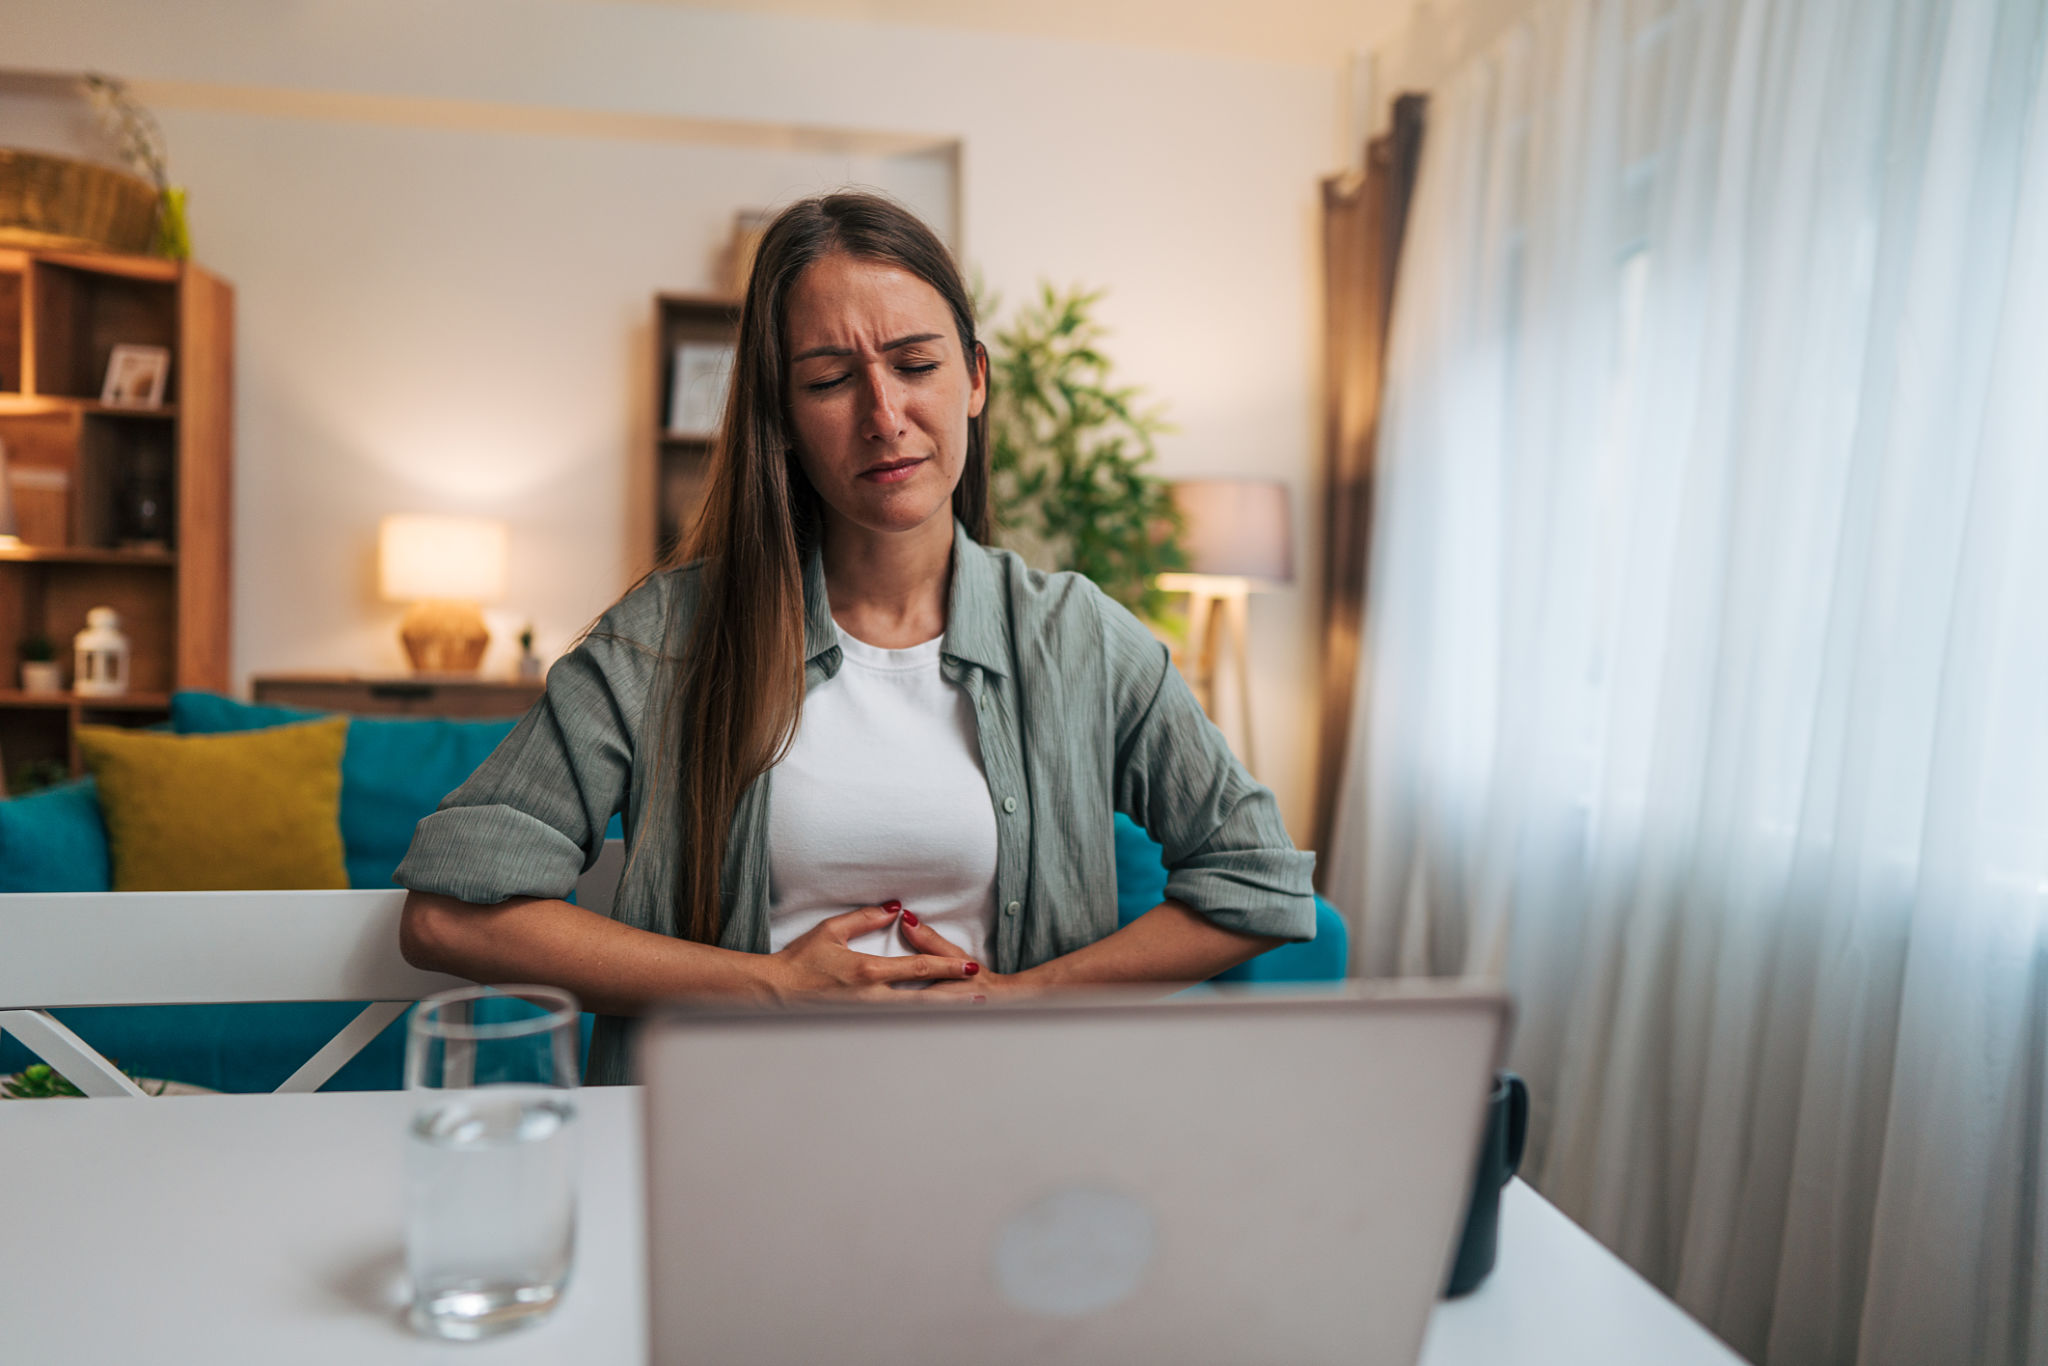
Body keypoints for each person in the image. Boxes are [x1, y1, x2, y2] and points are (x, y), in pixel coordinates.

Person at [396, 192, 1316, 1085]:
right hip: (737, 1139)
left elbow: (1259, 883)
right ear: (785, 421)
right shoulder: (667, 640)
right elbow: (448, 917)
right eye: (831, 380)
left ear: (977, 380)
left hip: (1002, 1134)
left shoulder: (1080, 639)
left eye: (916, 365)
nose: (883, 415)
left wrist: (1028, 998)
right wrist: (768, 988)